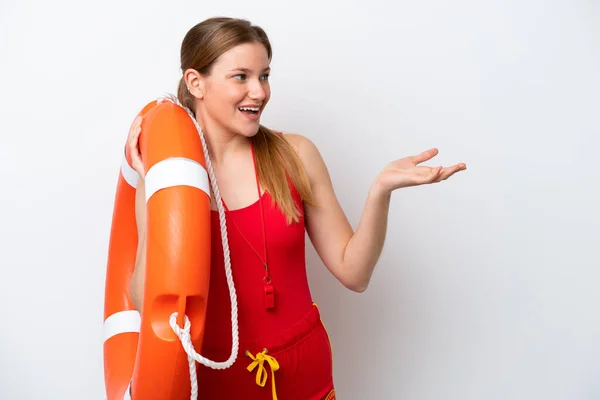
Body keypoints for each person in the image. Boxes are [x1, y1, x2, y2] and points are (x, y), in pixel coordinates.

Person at [126, 16, 466, 400]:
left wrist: (380, 191)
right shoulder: (168, 177)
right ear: (196, 83)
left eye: (265, 75)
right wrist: (155, 189)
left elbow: (354, 273)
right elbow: (147, 301)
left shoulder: (295, 155)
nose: (259, 92)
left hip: (305, 372)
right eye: (241, 76)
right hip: (216, 379)